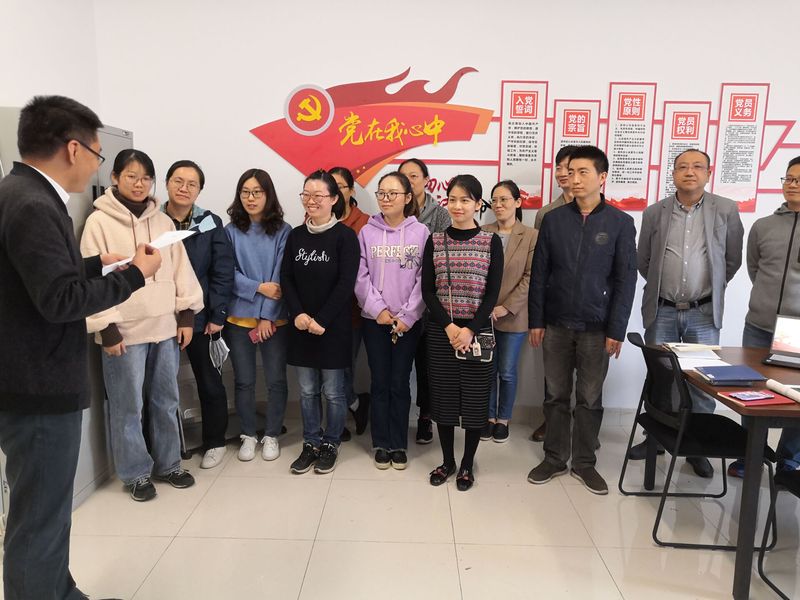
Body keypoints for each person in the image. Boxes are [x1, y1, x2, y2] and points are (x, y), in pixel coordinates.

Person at [0, 95, 161, 600]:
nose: (96, 165)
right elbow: (60, 300)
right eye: (97, 154)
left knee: (46, 513)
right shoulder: (32, 204)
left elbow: (36, 282)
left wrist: (96, 266)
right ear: (74, 149)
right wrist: (135, 275)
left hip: (30, 377)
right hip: (38, 386)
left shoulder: (20, 193)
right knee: (39, 519)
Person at [81, 149, 204, 502]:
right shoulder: (98, 223)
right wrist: (106, 328)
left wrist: (186, 316)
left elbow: (181, 270)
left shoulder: (163, 222)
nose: (139, 184)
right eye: (131, 176)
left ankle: (169, 464)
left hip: (164, 327)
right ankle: (135, 473)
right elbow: (90, 281)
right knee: (127, 406)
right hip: (124, 332)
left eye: (145, 178)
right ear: (115, 178)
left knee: (166, 400)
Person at [527, 145, 637, 495]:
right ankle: (555, 458)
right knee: (555, 395)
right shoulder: (554, 220)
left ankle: (585, 463)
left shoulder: (620, 223)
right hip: (556, 324)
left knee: (589, 398)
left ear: (602, 177)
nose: (573, 178)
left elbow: (625, 280)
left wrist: (616, 329)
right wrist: (536, 320)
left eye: (582, 172)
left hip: (597, 327)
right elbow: (540, 274)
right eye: (570, 172)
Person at [631, 149, 743, 478]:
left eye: (696, 167)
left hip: (703, 312)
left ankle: (697, 446)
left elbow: (732, 259)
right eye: (682, 167)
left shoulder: (726, 209)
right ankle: (656, 439)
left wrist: (708, 289)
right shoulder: (655, 212)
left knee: (702, 381)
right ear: (674, 174)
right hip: (663, 309)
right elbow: (644, 260)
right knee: (661, 378)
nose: (689, 172)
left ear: (708, 173)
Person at [422, 174, 503, 491]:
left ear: (478, 204)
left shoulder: (490, 242)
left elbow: (492, 294)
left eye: (465, 200)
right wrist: (450, 326)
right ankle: (447, 461)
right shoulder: (435, 241)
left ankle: (467, 464)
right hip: (441, 331)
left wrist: (469, 329)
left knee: (474, 402)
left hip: (477, 333)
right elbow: (428, 292)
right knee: (442, 400)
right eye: (453, 199)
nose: (458, 206)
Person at [281, 169, 360, 474]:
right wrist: (299, 314)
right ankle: (311, 442)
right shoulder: (295, 236)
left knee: (334, 392)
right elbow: (287, 278)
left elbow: (346, 283)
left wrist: (322, 319)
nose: (311, 201)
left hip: (333, 328)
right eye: (307, 194)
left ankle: (331, 443)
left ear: (334, 199)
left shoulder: (345, 237)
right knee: (307, 390)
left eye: (318, 195)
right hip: (301, 327)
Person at [728, 156, 800, 478]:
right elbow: (754, 268)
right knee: (752, 391)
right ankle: (750, 456)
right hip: (759, 324)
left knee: (797, 398)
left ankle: (789, 461)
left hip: (798, 330)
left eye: (799, 180)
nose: (792, 185)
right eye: (789, 179)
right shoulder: (763, 226)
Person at [162, 160, 235, 469]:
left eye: (192, 184)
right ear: (167, 183)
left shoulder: (209, 222)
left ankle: (215, 442)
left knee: (209, 381)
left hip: (201, 316)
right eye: (178, 181)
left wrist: (218, 315)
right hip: (160, 316)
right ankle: (163, 449)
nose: (184, 188)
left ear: (200, 190)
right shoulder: (153, 220)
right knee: (159, 386)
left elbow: (222, 271)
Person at [355, 171, 428, 469]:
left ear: (407, 197)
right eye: (381, 193)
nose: (385, 199)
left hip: (407, 323)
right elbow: (360, 277)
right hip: (375, 321)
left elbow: (425, 279)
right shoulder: (367, 232)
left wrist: (408, 315)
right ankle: (380, 442)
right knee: (380, 381)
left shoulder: (421, 233)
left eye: (393, 193)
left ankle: (398, 443)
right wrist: (379, 310)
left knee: (400, 382)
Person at [224, 169, 291, 462]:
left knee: (276, 380)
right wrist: (258, 287)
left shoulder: (283, 230)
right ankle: (248, 435)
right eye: (245, 192)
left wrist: (266, 317)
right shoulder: (230, 231)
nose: (251, 198)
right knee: (244, 381)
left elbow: (280, 277)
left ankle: (272, 434)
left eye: (257, 192)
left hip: (274, 320)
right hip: (239, 319)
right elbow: (227, 273)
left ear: (268, 195)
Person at [399, 157, 451, 444]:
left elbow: (442, 255)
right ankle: (396, 418)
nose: (409, 181)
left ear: (426, 181)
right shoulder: (392, 211)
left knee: (427, 367)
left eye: (414, 176)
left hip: (429, 302)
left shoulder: (439, 214)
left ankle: (425, 417)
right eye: (403, 176)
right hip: (398, 303)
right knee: (400, 367)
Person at [481, 180, 537, 442]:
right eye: (494, 200)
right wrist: (486, 307)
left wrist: (507, 307)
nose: (498, 204)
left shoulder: (531, 235)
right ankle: (489, 417)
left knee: (507, 371)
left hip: (514, 316)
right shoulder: (483, 232)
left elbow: (531, 276)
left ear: (518, 202)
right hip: (485, 316)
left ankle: (503, 419)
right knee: (487, 370)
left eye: (504, 199)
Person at [531, 144, 577, 442]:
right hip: (554, 305)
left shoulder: (606, 213)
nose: (562, 173)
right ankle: (552, 422)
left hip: (591, 308)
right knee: (554, 372)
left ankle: (584, 427)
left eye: (569, 168)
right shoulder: (546, 214)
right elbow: (539, 265)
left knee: (588, 376)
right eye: (559, 167)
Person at [330, 166, 370, 438]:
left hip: (353, 310)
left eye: (340, 186)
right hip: (323, 311)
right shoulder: (315, 218)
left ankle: (348, 410)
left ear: (351, 191)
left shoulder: (365, 222)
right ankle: (354, 405)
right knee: (328, 369)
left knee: (343, 367)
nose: (334, 191)